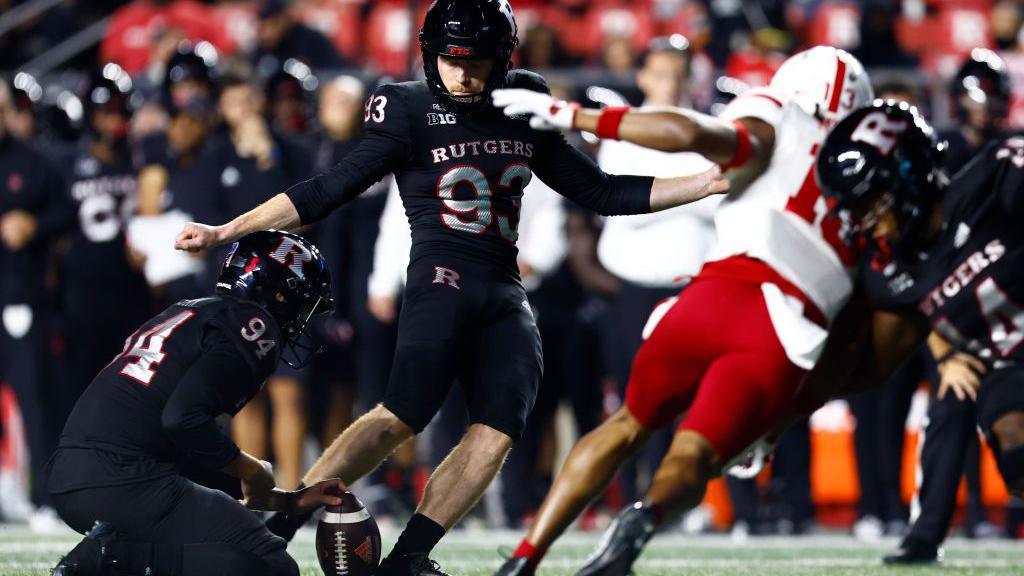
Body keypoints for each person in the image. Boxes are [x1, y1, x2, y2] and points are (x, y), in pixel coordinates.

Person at [175, 1, 727, 574]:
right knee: (401, 414)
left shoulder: (521, 103)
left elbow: (603, 192)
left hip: (504, 288)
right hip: (440, 277)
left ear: (503, 58)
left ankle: (409, 558)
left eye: (477, 62)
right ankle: (279, 523)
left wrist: (707, 182)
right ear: (429, 54)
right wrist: (226, 229)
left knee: (496, 431)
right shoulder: (407, 108)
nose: (462, 74)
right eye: (451, 60)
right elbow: (326, 189)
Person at [489, 44, 873, 575]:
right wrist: (783, 418)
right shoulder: (877, 185)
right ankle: (643, 518)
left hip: (714, 294)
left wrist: (576, 116)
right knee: (693, 458)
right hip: (786, 328)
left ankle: (527, 555)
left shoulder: (776, 115)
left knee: (625, 424)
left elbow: (698, 135)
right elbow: (852, 336)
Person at [48, 230, 344, 576]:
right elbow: (182, 419)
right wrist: (250, 468)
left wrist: (286, 502)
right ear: (278, 292)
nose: (301, 319)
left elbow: (186, 444)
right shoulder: (253, 324)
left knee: (233, 555)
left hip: (74, 474)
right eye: (302, 303)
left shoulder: (192, 310)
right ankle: (111, 560)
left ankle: (120, 554)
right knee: (273, 567)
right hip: (123, 479)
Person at [810, 100, 1024, 546]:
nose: (863, 222)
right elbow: (879, 360)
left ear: (907, 175)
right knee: (1014, 445)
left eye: (869, 202)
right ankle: (924, 536)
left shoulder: (998, 179)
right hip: (1006, 359)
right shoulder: (892, 273)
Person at [882, 50, 1013, 563]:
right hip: (959, 300)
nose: (983, 106)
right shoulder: (943, 155)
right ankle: (927, 530)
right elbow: (927, 244)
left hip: (1009, 295)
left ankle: (990, 518)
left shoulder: (1011, 151)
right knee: (951, 405)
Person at [0, 79, 74, 531]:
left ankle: (42, 499)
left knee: (34, 398)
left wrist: (34, 223)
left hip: (19, 297)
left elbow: (66, 213)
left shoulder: (32, 162)